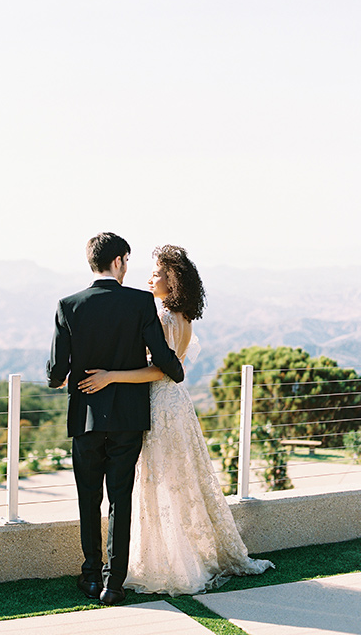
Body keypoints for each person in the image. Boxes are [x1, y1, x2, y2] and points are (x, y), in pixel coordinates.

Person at [78, 245, 274, 596]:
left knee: (158, 482)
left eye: (155, 273)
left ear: (171, 280)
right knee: (179, 480)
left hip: (159, 403)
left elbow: (162, 371)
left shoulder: (165, 316)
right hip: (178, 406)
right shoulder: (183, 314)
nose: (149, 278)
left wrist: (111, 376)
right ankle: (180, 553)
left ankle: (168, 562)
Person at [46, 233, 184, 605]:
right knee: (119, 499)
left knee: (87, 498)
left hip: (86, 418)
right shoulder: (140, 303)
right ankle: (114, 584)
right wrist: (176, 369)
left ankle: (90, 577)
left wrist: (56, 377)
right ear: (120, 260)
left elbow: (58, 371)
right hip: (128, 417)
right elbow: (163, 358)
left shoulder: (68, 305)